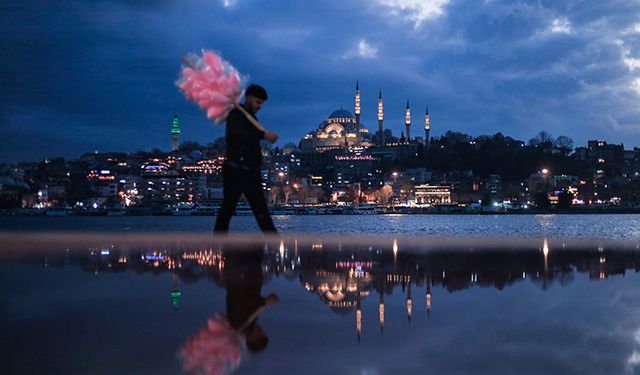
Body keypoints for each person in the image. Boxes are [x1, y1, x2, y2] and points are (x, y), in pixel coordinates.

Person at [214, 84, 279, 234]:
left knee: (260, 209)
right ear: (249, 98)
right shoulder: (235, 115)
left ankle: (274, 242)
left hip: (251, 170)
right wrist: (263, 135)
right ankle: (218, 243)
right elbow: (239, 137)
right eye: (258, 102)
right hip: (236, 168)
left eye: (262, 104)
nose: (259, 106)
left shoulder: (252, 118)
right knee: (228, 208)